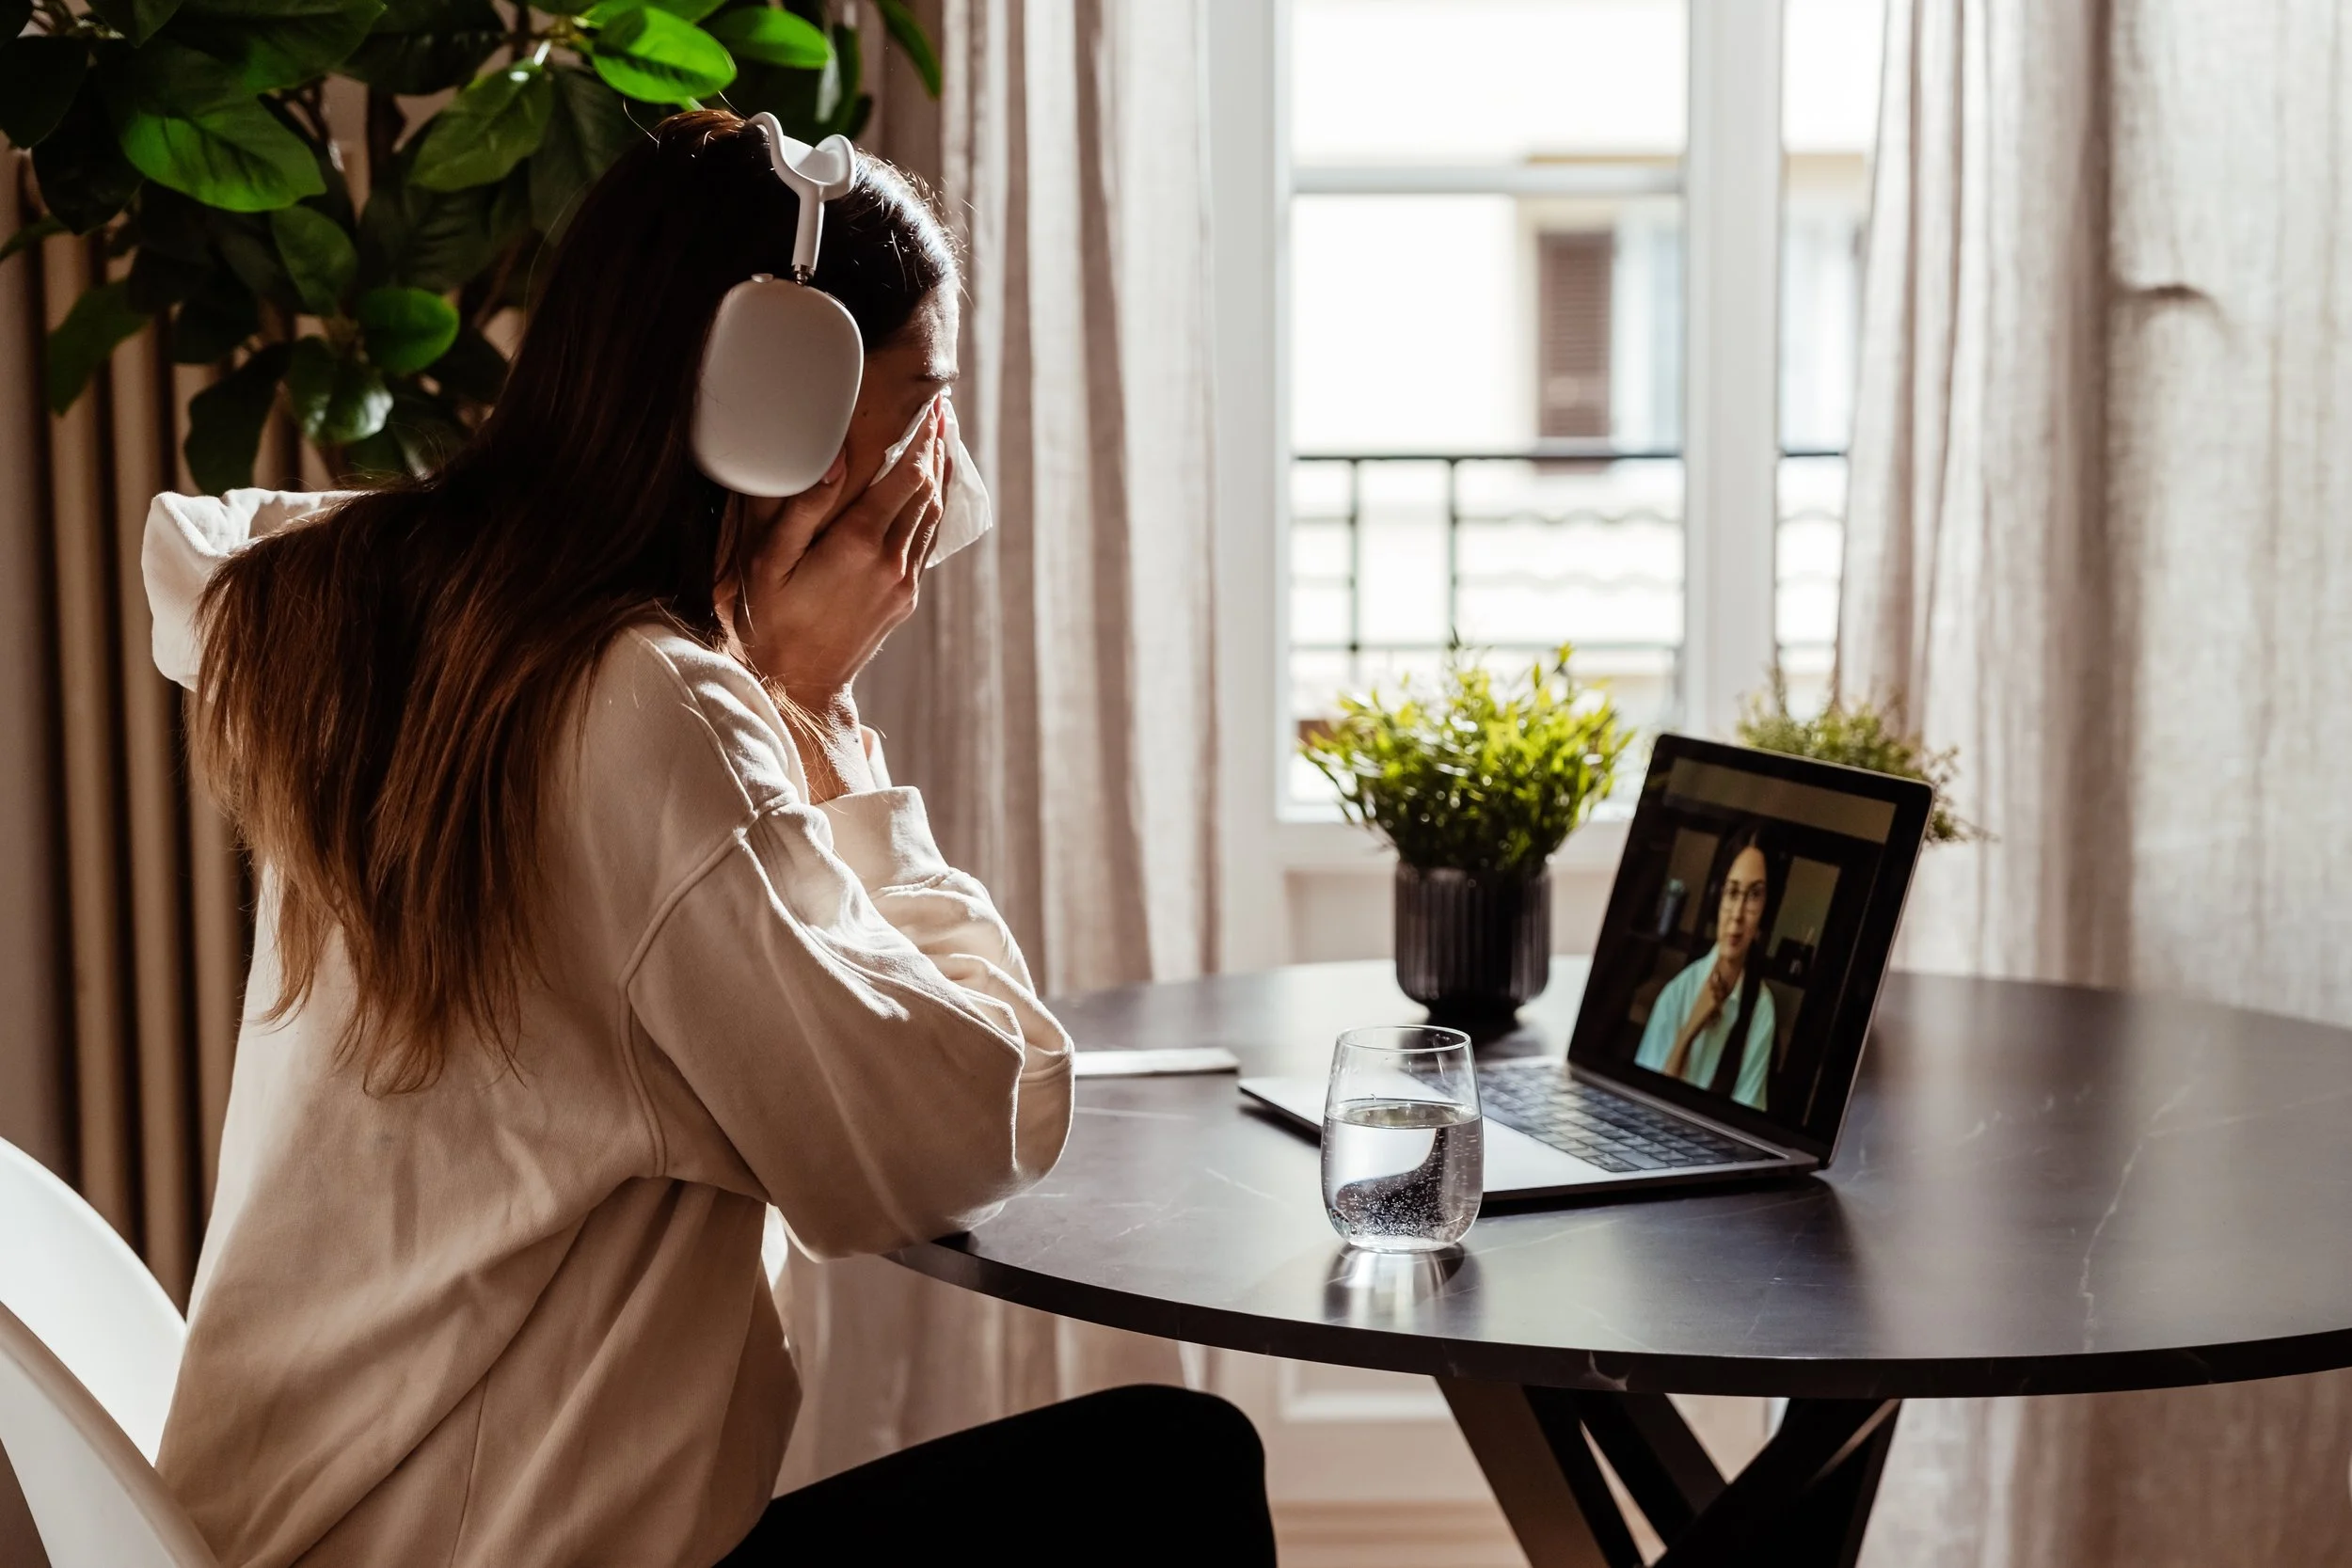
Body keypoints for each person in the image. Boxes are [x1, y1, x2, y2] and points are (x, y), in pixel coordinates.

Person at [145, 111, 1274, 1568]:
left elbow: (199, 543)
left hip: (305, 1538)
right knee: (1169, 1469)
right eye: (921, 396)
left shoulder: (355, 611)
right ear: (772, 396)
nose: (939, 461)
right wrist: (820, 717)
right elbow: (964, 1127)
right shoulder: (652, 711)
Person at [1632, 826, 1782, 1110]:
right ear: (1719, 897)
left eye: (1753, 896)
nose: (1737, 915)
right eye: (1732, 892)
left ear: (1766, 910)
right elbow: (1645, 1106)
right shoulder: (1678, 993)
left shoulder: (1761, 1009)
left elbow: (1746, 1119)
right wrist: (1690, 1029)